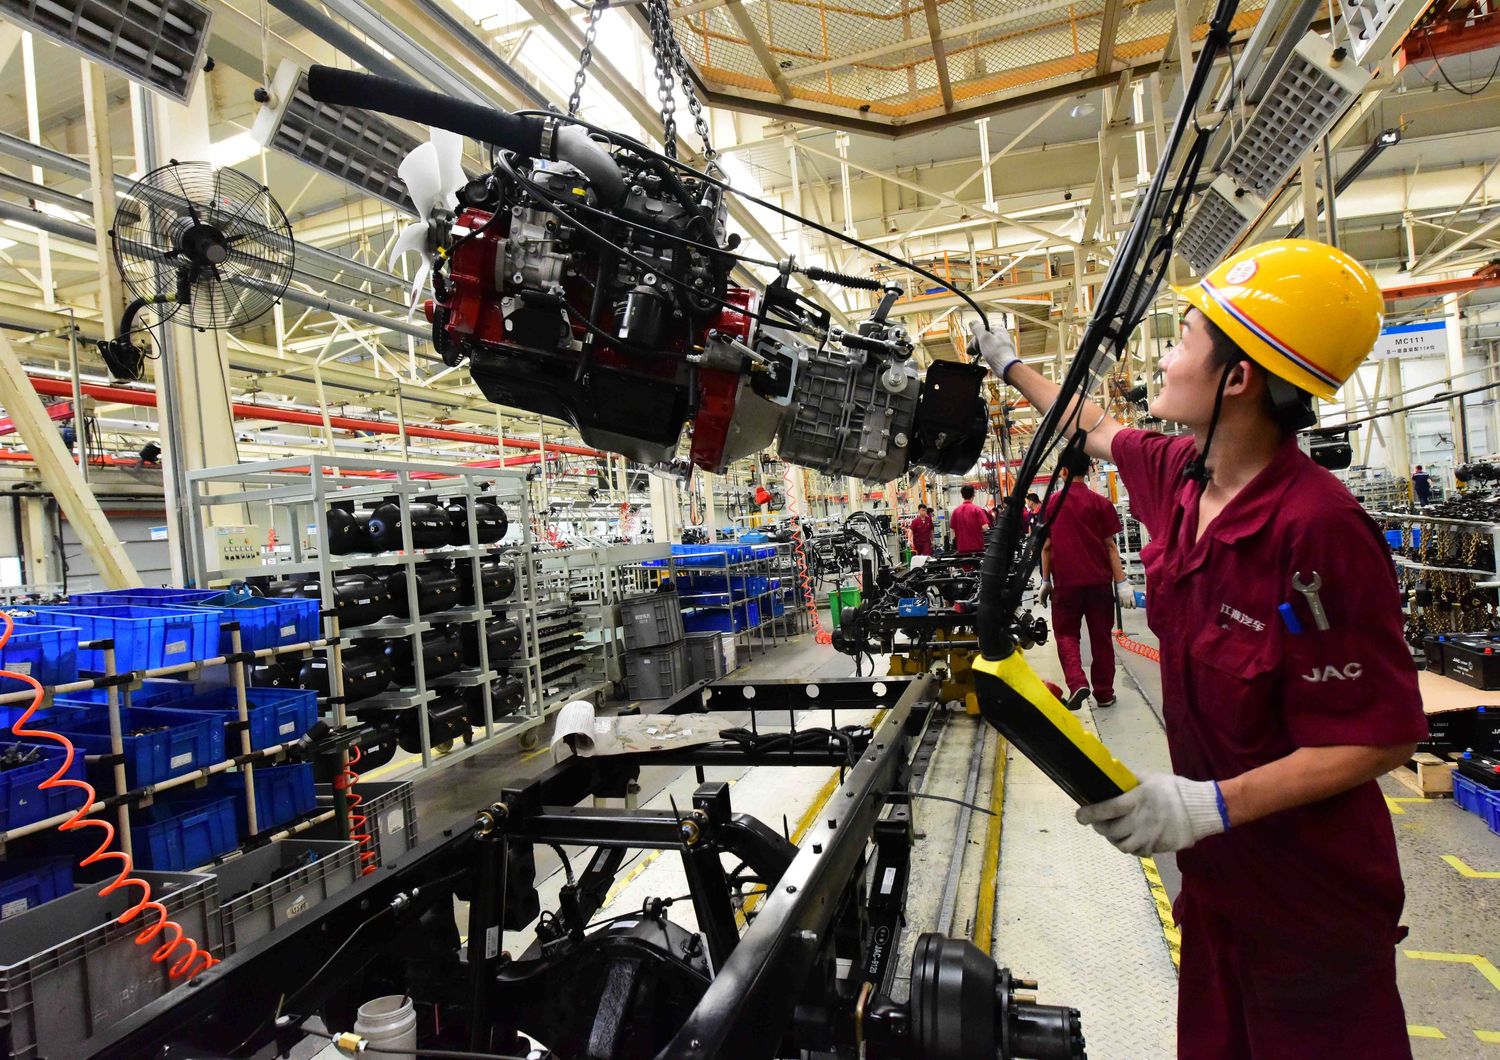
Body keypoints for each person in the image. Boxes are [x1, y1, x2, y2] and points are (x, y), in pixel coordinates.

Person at [971, 239, 1426, 1060]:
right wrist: (1009, 366)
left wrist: (1205, 806)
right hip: (1217, 896)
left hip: (1308, 909)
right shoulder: (1182, 475)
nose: (1165, 360)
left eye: (1183, 340)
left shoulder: (1316, 527)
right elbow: (1095, 425)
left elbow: (1383, 732)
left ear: (1238, 379)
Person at [1039, 459, 1136, 710]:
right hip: (1099, 584)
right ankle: (1104, 693)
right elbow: (1110, 546)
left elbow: (1047, 546)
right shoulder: (1101, 503)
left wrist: (1045, 580)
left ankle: (1077, 682)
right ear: (1090, 469)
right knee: (1101, 637)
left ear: (1063, 470)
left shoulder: (1052, 504)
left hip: (1066, 584)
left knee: (1066, 634)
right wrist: (1122, 582)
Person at [950, 484, 992, 555]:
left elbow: (952, 530)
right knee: (977, 565)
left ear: (962, 495)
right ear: (973, 495)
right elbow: (985, 527)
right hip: (977, 547)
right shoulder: (977, 509)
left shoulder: (956, 511)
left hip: (962, 548)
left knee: (965, 565)